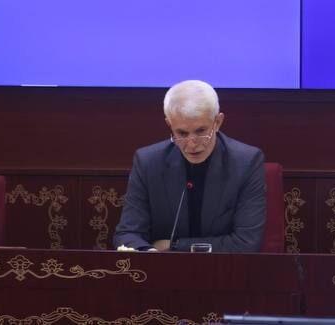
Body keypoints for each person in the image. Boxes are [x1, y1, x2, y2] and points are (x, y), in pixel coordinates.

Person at [113, 80, 266, 252]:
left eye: (201, 131)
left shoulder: (246, 162)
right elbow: (127, 234)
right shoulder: (148, 162)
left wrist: (174, 246)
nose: (192, 144)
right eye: (182, 133)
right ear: (169, 125)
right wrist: (150, 255)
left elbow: (247, 243)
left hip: (224, 267)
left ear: (217, 122)